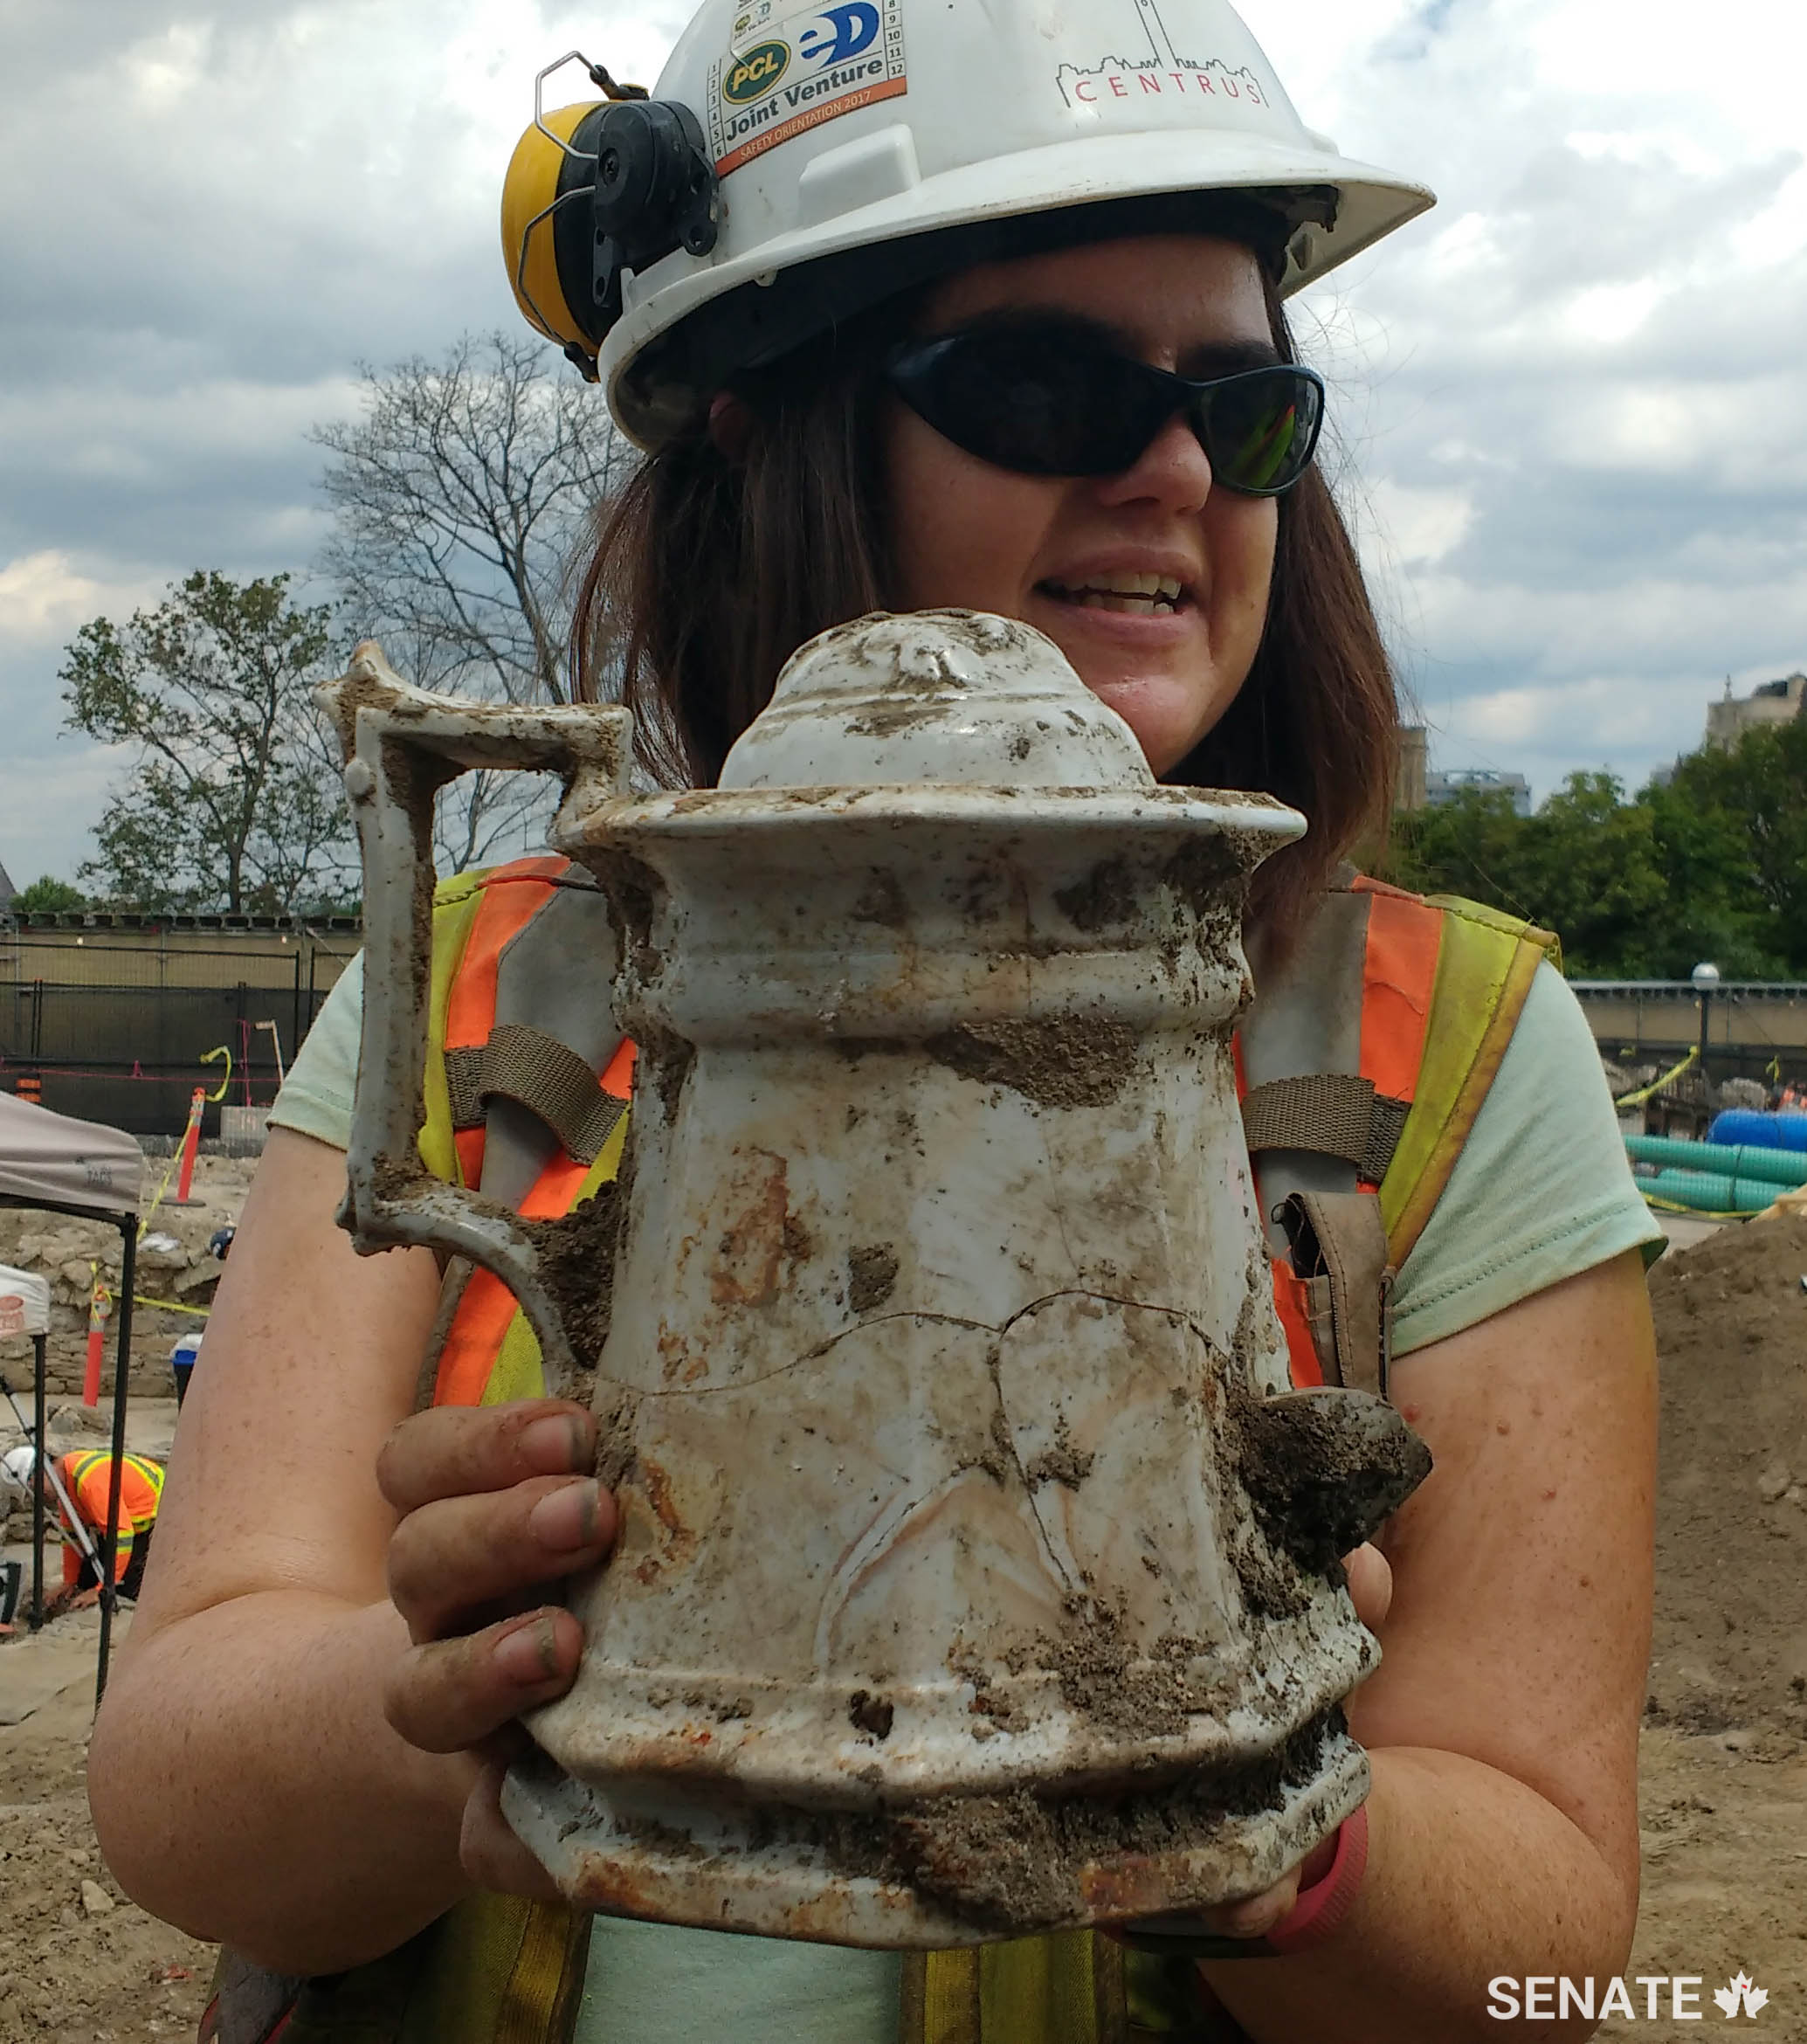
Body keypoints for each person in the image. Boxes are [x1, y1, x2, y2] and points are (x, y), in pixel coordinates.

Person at [86, 3, 1661, 2040]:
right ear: (765, 424)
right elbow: (184, 1794)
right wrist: (469, 1680)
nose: (1176, 466)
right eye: (1041, 382)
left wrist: (1264, 1788)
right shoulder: (484, 989)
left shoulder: (1443, 1045)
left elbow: (1543, 1949)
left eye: (1249, 407)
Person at [2, 1440, 165, 1606]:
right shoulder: (66, 1486)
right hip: (127, 1521)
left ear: (38, 1474)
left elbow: (121, 1534)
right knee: (86, 1579)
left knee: (126, 1591)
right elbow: (72, 1536)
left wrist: (104, 1588)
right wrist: (69, 1582)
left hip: (160, 1513)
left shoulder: (89, 1482)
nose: (39, 1498)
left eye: (35, 1491)